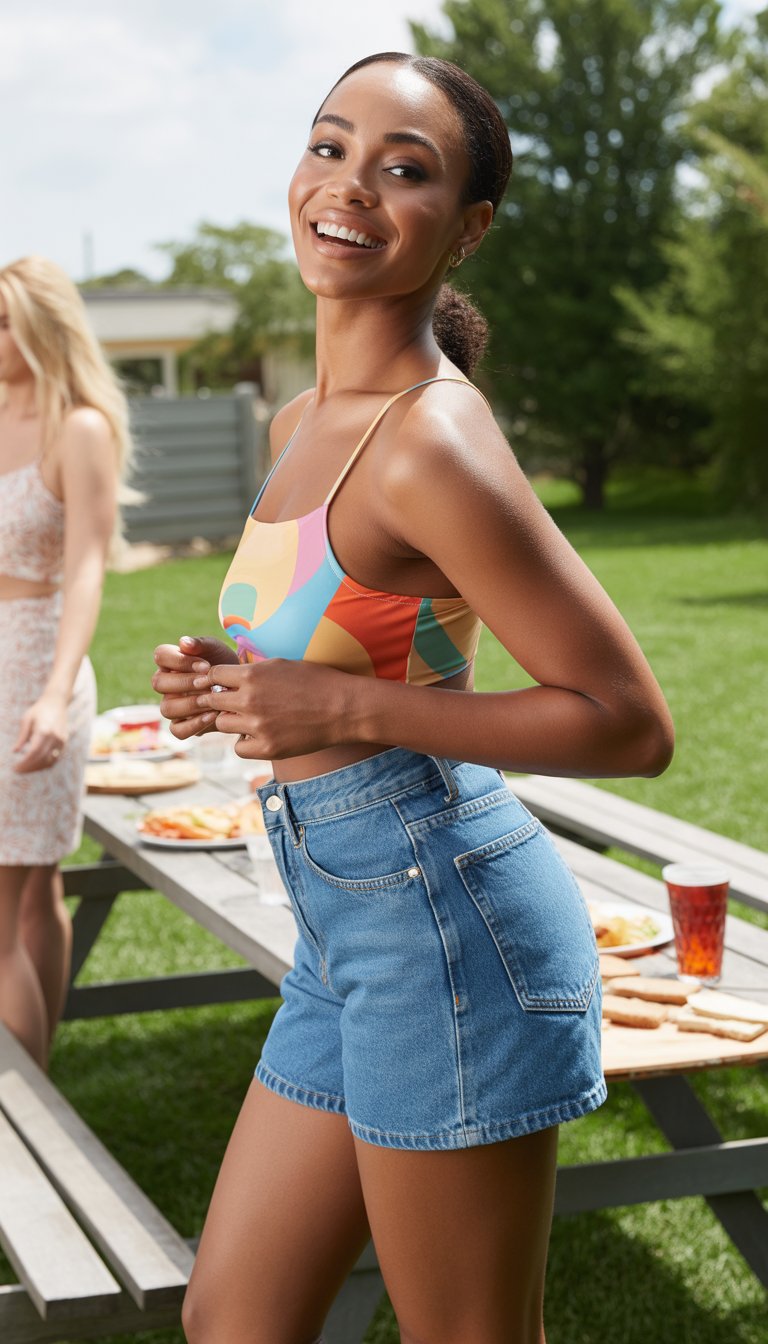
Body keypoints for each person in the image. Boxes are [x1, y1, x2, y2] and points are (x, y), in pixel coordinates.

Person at [153, 53, 674, 1344]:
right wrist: (233, 691)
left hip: (447, 922)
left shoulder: (431, 438)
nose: (349, 188)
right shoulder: (301, 420)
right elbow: (373, 646)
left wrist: (343, 717)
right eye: (331, 148)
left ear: (468, 228)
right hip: (349, 930)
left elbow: (626, 720)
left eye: (405, 169)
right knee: (234, 1320)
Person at [0, 256, 127, 1068]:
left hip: (33, 666)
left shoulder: (77, 425)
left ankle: (16, 1124)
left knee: (7, 905)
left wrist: (52, 696)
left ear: (44, 326)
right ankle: (36, 1080)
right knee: (34, 889)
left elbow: (87, 564)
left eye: (6, 321)